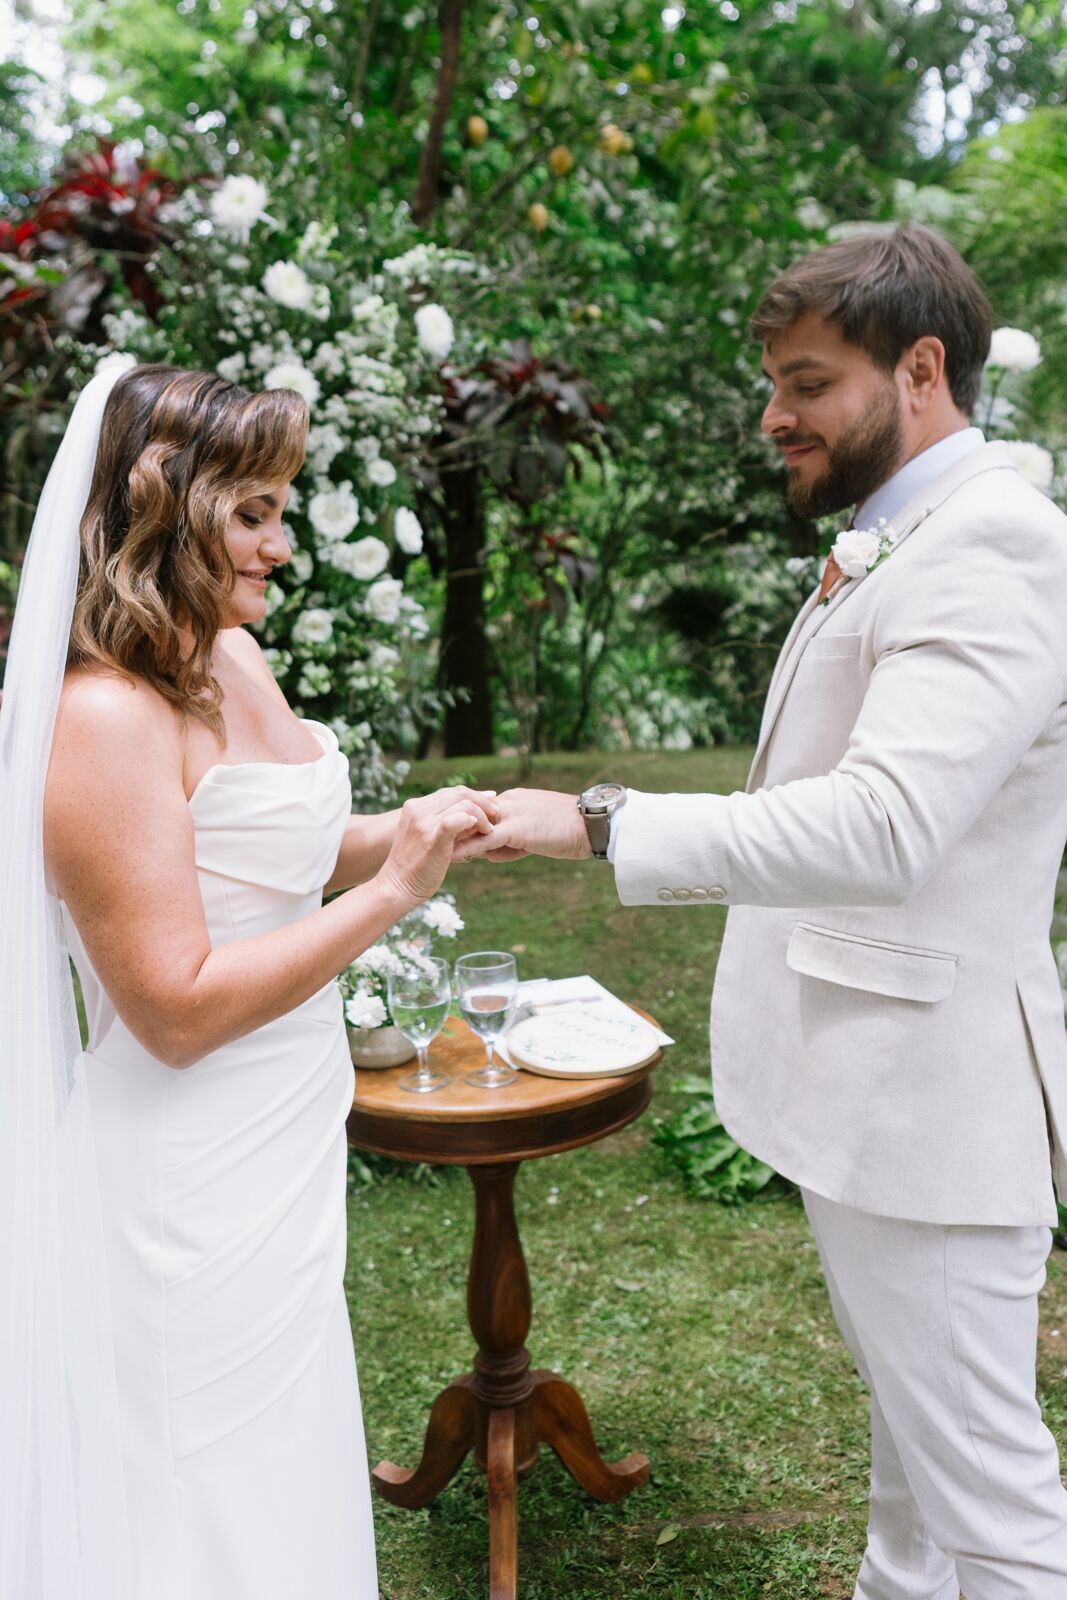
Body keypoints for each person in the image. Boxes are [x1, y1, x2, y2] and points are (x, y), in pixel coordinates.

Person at [475, 226, 1067, 1598]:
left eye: (805, 383)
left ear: (916, 370)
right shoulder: (908, 531)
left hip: (932, 1108)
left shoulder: (993, 544)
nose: (772, 416)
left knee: (989, 1505)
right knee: (916, 1479)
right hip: (881, 1099)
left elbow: (879, 824)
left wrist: (599, 820)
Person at [0, 362, 497, 1600]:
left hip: (279, 1146)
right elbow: (173, 1006)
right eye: (253, 512)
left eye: (286, 508)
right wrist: (392, 899)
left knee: (275, 1462)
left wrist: (415, 829)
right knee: (196, 1491)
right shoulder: (105, 719)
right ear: (167, 507)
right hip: (179, 1173)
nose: (282, 545)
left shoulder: (227, 661)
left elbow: (276, 853)